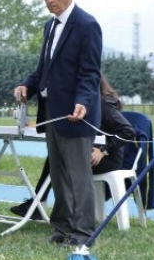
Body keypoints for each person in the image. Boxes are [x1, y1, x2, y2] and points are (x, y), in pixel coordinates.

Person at [13, 0, 102, 247]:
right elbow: (44, 69)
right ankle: (61, 228)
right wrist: (27, 85)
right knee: (59, 174)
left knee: (78, 175)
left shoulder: (87, 25)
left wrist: (84, 102)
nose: (50, 0)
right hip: (52, 112)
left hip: (76, 114)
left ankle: (83, 232)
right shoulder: (49, 26)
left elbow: (90, 72)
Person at [10, 75, 136, 217]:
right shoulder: (82, 105)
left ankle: (40, 206)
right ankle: (38, 204)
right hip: (88, 152)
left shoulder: (103, 104)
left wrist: (104, 150)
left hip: (107, 159)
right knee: (56, 155)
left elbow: (128, 131)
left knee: (57, 159)